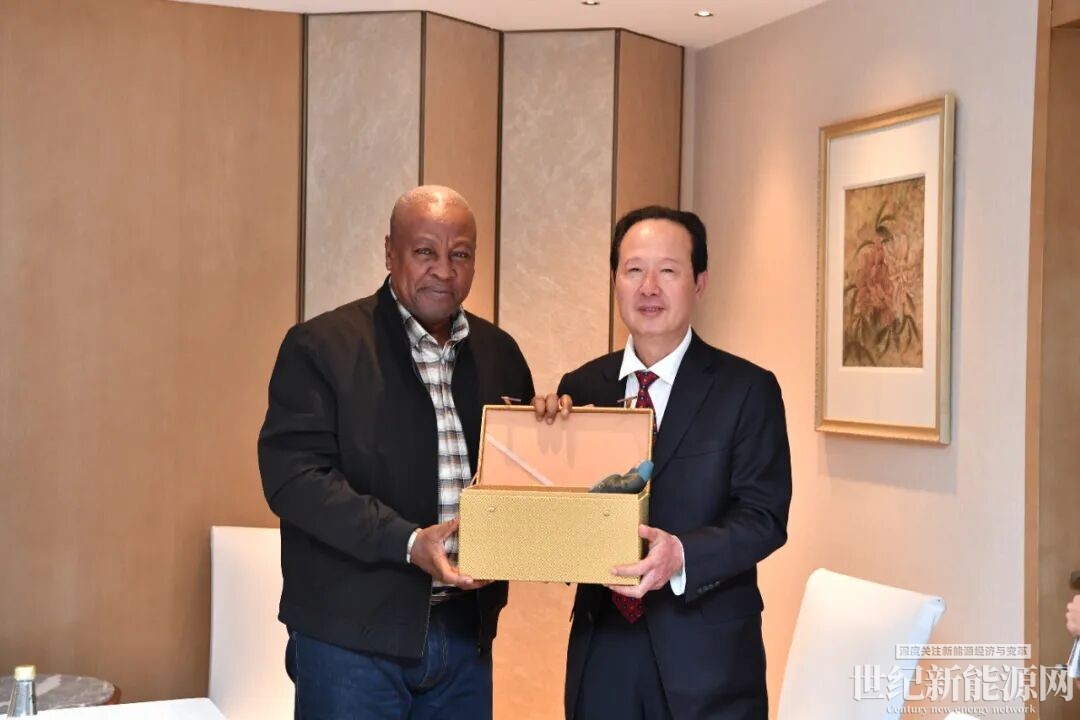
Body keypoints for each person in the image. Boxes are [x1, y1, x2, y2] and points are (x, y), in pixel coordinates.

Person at [258, 185, 534, 719]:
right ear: (390, 253)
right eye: (425, 251)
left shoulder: (500, 355)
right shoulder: (321, 346)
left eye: (460, 254)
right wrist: (408, 542)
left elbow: (520, 480)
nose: (444, 271)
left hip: (465, 635)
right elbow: (294, 480)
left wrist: (554, 431)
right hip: (350, 641)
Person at [535, 206, 792, 720]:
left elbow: (764, 517)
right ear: (615, 280)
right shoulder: (581, 389)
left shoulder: (747, 389)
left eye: (668, 270)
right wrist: (539, 444)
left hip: (708, 656)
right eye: (634, 270)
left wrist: (681, 555)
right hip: (604, 650)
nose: (648, 287)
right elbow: (563, 523)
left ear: (699, 283)